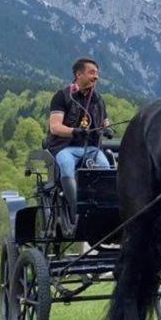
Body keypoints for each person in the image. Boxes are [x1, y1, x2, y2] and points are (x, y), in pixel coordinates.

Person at [45, 58, 112, 214]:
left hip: (91, 148)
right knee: (67, 166)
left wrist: (107, 129)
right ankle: (75, 210)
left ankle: (104, 210)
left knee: (106, 169)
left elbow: (105, 121)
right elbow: (55, 127)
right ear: (78, 74)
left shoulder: (98, 99)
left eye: (97, 73)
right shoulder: (62, 96)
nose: (96, 77)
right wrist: (74, 131)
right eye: (91, 72)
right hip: (64, 147)